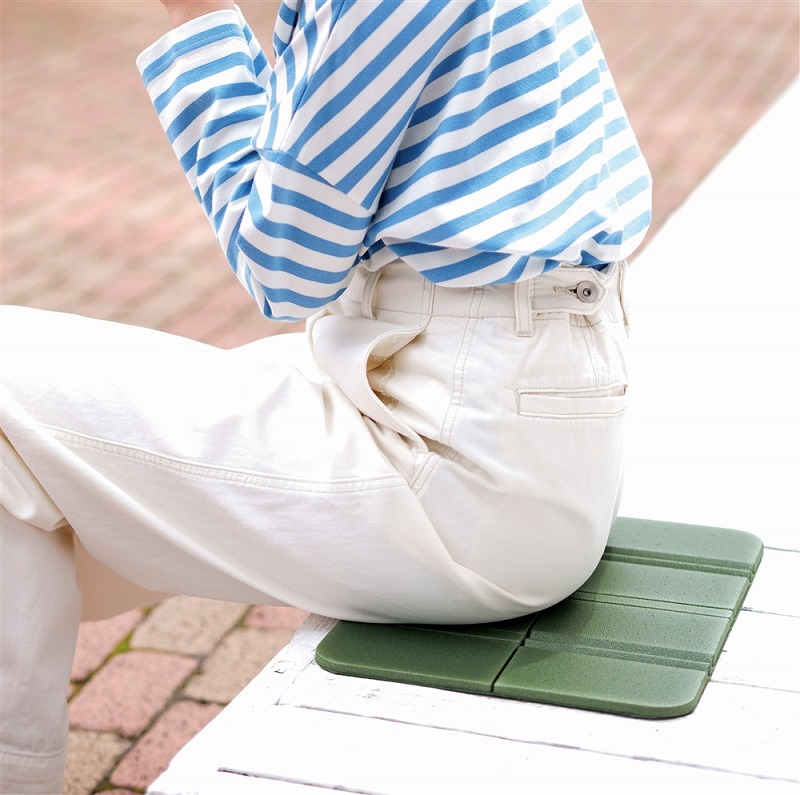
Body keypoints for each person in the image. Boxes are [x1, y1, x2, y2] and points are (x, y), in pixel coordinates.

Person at [0, 1, 650, 791]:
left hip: (459, 460)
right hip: (487, 407)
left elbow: (282, 265)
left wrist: (195, 14)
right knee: (33, 457)